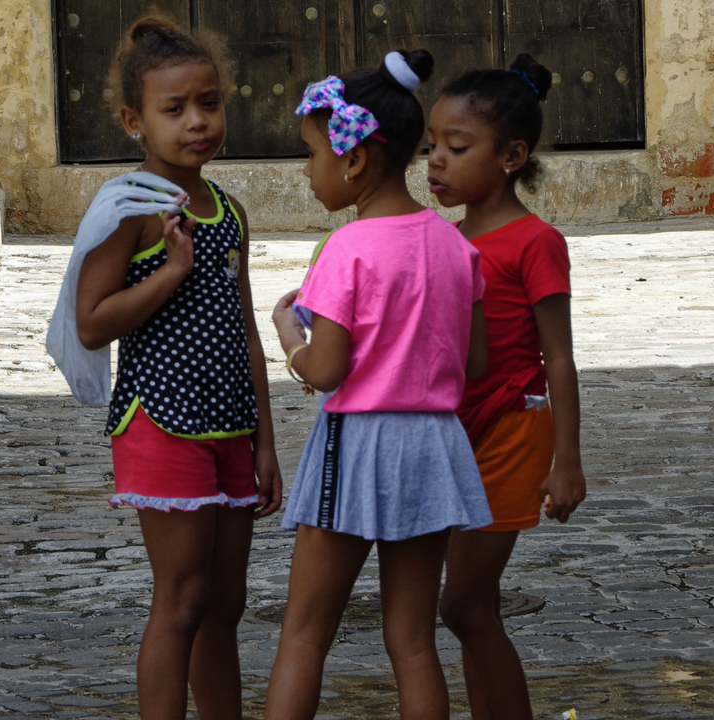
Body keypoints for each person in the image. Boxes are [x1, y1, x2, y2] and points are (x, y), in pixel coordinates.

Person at [265, 50, 492, 720]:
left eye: (312, 154)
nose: (306, 171)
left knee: (305, 632)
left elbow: (326, 369)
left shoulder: (348, 249)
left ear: (355, 159)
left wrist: (289, 336)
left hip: (358, 446)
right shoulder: (457, 246)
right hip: (433, 447)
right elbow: (476, 361)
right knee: (413, 641)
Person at [66, 16, 281, 720]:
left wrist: (265, 440)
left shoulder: (229, 211)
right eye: (175, 109)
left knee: (225, 604)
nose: (197, 121)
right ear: (135, 121)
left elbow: (245, 328)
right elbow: (92, 321)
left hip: (230, 427)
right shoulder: (132, 210)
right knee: (183, 600)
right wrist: (170, 272)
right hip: (160, 422)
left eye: (209, 104)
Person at [426, 53, 588, 720]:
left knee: (463, 606)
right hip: (458, 432)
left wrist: (567, 461)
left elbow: (559, 357)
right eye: (431, 146)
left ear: (512, 156)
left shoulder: (534, 241)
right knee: (475, 608)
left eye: (456, 147)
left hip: (512, 432)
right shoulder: (446, 239)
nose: (436, 161)